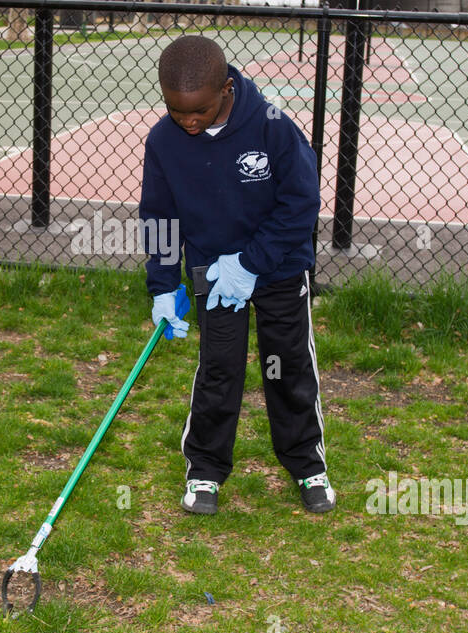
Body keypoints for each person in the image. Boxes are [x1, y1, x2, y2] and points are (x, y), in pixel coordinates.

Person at [140, 35, 333, 516]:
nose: (188, 120)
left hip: (279, 269)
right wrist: (163, 286)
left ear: (226, 89)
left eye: (199, 111)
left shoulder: (272, 129)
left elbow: (301, 206)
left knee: (287, 364)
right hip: (213, 275)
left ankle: (306, 463)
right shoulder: (164, 140)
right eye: (176, 110)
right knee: (218, 368)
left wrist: (250, 263)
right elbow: (160, 217)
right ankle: (204, 470)